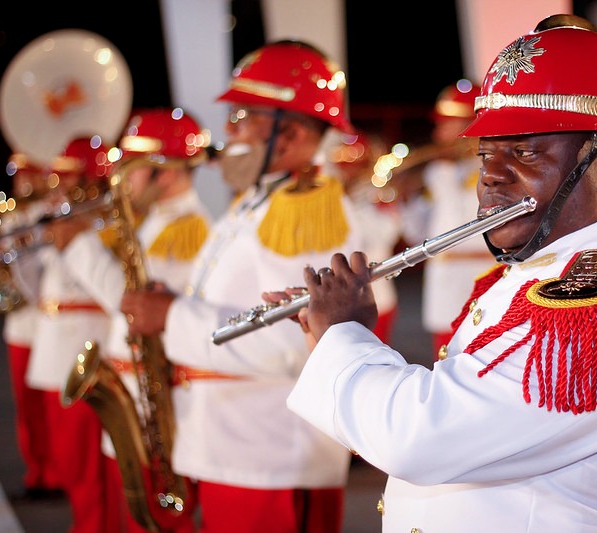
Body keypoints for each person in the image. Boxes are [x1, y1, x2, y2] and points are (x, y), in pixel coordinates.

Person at [280, 15, 597, 531]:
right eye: (486, 155)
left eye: (523, 152)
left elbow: (422, 438)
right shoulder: (546, 272)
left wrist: (342, 336)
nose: (491, 177)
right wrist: (338, 336)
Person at [120, 40, 365, 532]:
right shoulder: (259, 200)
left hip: (265, 453)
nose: (229, 131)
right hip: (238, 445)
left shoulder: (304, 213)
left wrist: (172, 317)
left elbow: (294, 345)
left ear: (290, 132)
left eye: (242, 118)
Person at [53, 107, 212, 532]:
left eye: (133, 167)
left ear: (167, 172)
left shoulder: (189, 230)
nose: (121, 177)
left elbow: (134, 306)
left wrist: (79, 248)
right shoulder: (154, 223)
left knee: (159, 518)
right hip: (133, 388)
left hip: (153, 399)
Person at [20, 136, 114, 532]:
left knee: (90, 467)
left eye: (68, 180)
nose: (57, 188)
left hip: (86, 350)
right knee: (72, 462)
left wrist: (74, 241)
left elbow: (110, 292)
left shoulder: (106, 222)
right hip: (53, 351)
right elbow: (36, 293)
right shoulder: (63, 220)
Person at [406, 79, 498, 359]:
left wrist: (442, 177)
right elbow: (417, 235)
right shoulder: (438, 174)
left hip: (480, 282)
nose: (438, 133)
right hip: (444, 287)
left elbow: (466, 227)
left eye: (447, 124)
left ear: (469, 127)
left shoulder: (492, 170)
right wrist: (407, 201)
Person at [0, 154, 63, 500]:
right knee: (28, 409)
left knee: (52, 408)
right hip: (19, 325)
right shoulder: (10, 218)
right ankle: (37, 470)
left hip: (47, 322)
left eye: (27, 175)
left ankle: (57, 472)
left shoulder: (47, 216)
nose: (21, 182)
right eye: (17, 176)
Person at [329, 130, 402, 343]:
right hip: (336, 298)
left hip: (374, 296)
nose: (346, 174)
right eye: (342, 168)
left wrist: (354, 205)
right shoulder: (334, 199)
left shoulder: (379, 196)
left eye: (353, 167)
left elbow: (382, 239)